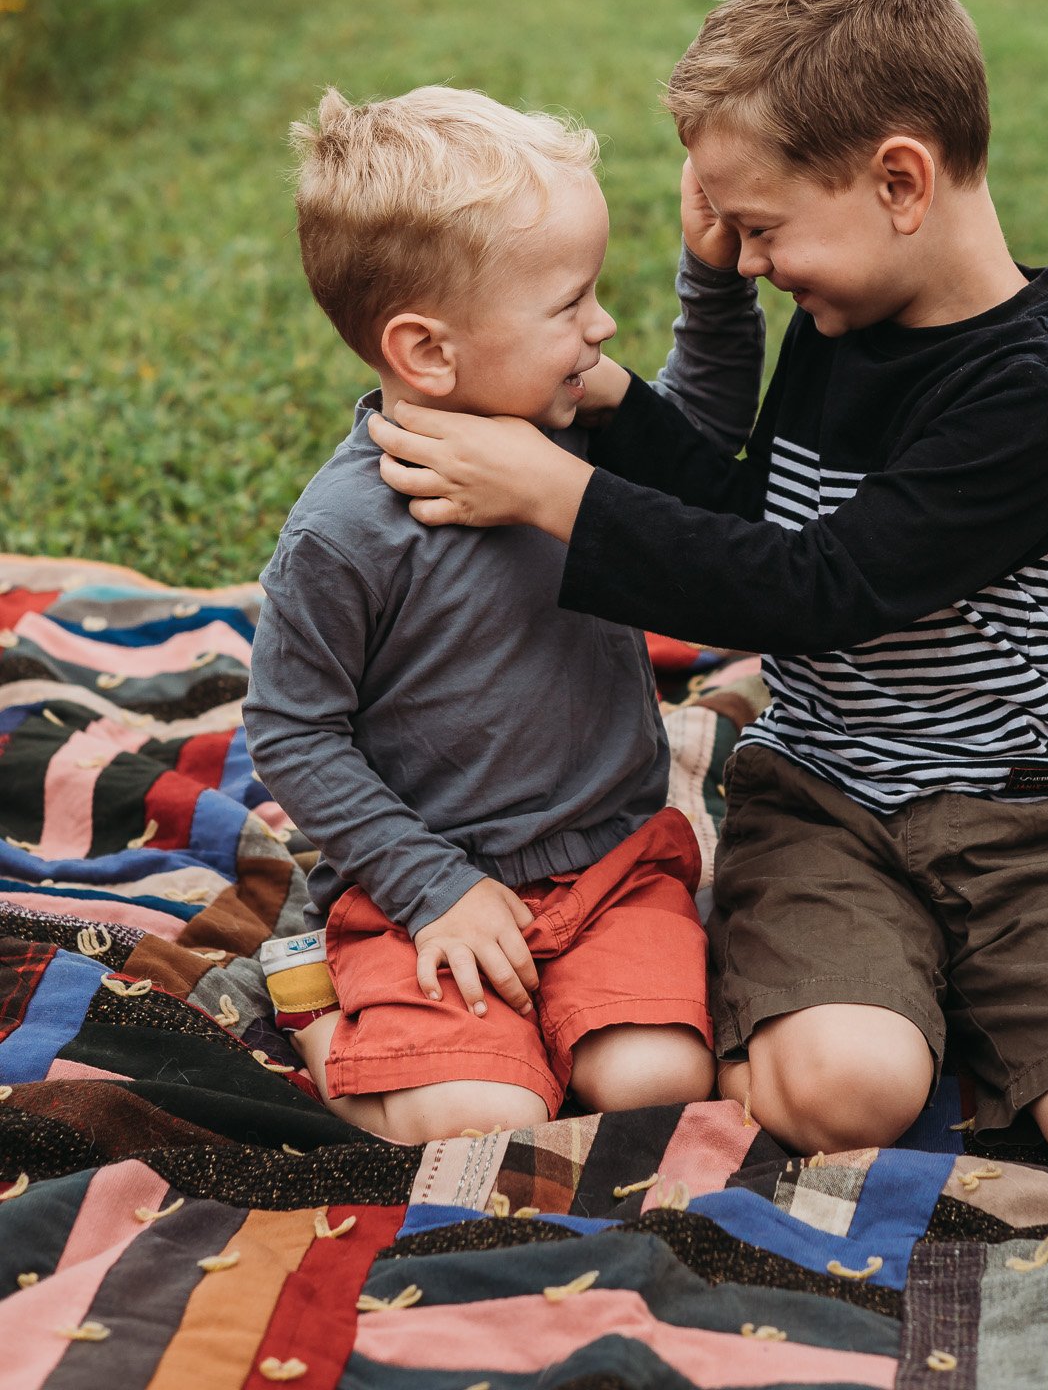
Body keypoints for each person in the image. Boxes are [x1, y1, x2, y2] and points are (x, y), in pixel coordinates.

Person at [367, 0, 1048, 1195]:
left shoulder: (1037, 394)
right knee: (850, 1090)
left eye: (766, 227)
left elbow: (809, 591)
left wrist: (564, 495)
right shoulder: (848, 316)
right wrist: (631, 385)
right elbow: (750, 511)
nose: (759, 258)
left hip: (1028, 829)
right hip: (828, 806)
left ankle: (1022, 995)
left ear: (900, 179)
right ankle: (887, 999)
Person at [243, 84, 747, 1144]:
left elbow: (693, 450)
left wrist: (714, 283)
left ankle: (519, 1023)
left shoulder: (573, 427)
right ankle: (326, 1016)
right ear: (428, 351)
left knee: (659, 1084)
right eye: (569, 304)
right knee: (489, 1112)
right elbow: (292, 725)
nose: (599, 325)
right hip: (426, 884)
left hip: (610, 866)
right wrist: (433, 887)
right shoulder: (346, 530)